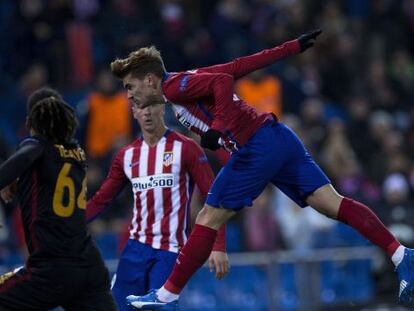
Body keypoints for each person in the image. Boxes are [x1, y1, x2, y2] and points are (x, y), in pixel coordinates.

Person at [109, 30, 414, 309]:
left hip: (257, 147)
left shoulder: (174, 87)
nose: (129, 95)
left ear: (149, 80)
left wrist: (217, 128)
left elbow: (222, 82)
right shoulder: (186, 80)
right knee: (332, 204)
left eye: (130, 86)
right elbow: (239, 66)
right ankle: (401, 255)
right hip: (279, 138)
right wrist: (290, 48)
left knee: (207, 217)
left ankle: (166, 296)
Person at [86, 95, 229, 311]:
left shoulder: (187, 148)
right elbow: (101, 200)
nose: (146, 112)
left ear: (162, 108)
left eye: (151, 105)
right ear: (133, 112)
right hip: (134, 250)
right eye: (140, 107)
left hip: (170, 251)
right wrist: (67, 225)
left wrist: (218, 245)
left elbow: (214, 197)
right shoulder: (126, 156)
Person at [0, 88, 116, 310]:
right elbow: (50, 174)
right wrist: (17, 181)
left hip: (52, 269)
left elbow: (29, 154)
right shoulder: (78, 154)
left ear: (30, 122)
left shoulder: (35, 145)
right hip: (90, 266)